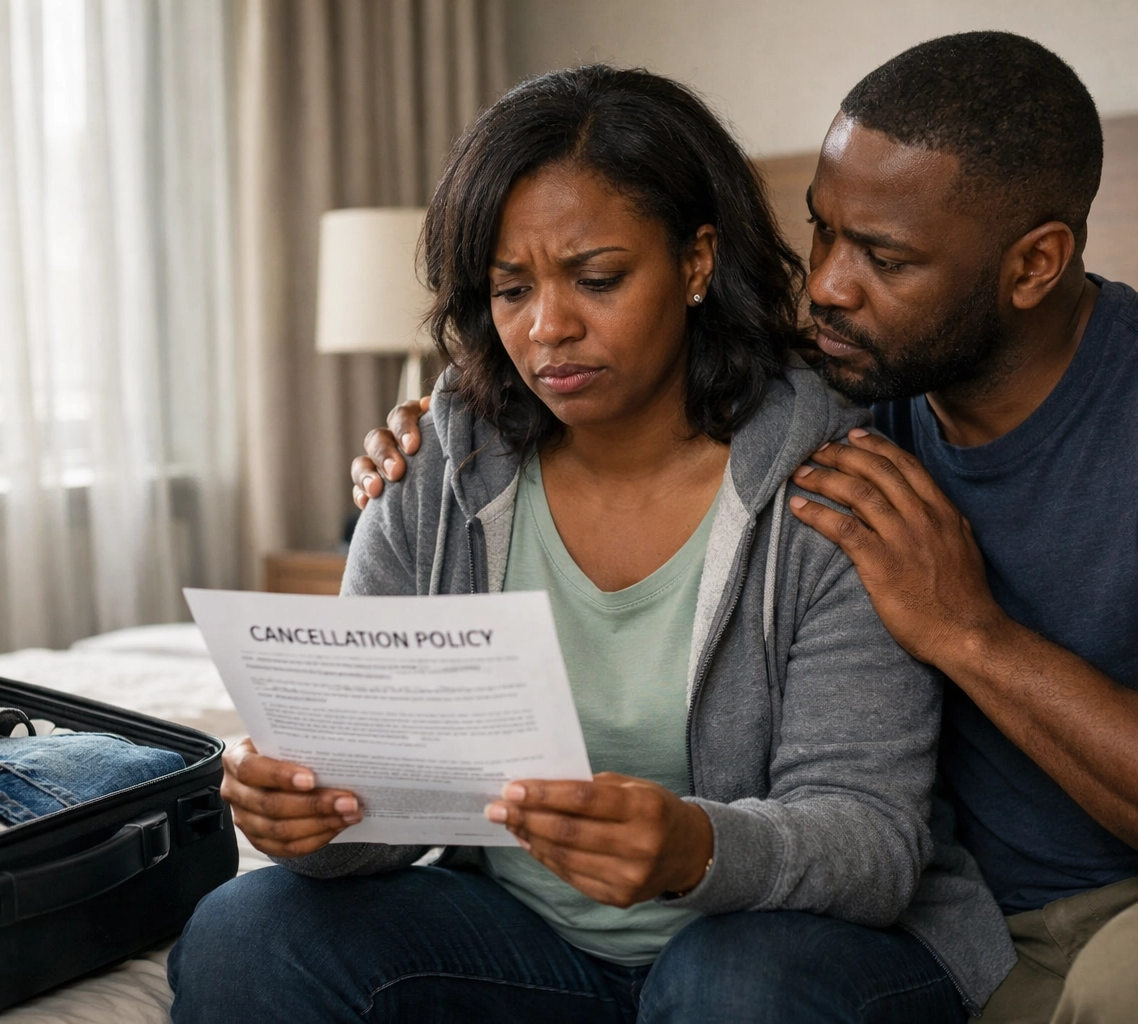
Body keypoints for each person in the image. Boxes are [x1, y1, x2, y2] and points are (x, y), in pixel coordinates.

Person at [356, 33, 1138, 1024]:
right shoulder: (847, 392)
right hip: (960, 916)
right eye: (824, 232)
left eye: (886, 257)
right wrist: (438, 424)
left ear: (1035, 263)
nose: (826, 285)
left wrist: (968, 631)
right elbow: (652, 376)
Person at [169, 66, 1012, 1024]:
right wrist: (313, 821)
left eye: (598, 279)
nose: (548, 328)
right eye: (511, 289)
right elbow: (387, 822)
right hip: (530, 948)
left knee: (728, 987)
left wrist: (697, 849)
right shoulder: (434, 473)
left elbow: (872, 844)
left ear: (697, 263)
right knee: (250, 928)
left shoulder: (833, 486)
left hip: (787, 953)